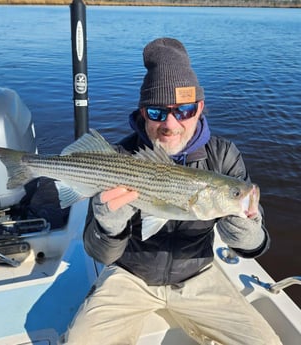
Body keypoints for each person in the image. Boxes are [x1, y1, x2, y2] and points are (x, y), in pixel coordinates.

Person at [61, 38, 282, 345]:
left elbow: (256, 246)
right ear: (142, 112)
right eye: (156, 112)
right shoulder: (119, 159)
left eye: (185, 110)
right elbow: (99, 253)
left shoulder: (223, 158)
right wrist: (108, 227)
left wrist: (247, 232)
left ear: (200, 108)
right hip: (130, 275)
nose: (171, 124)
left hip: (200, 275)